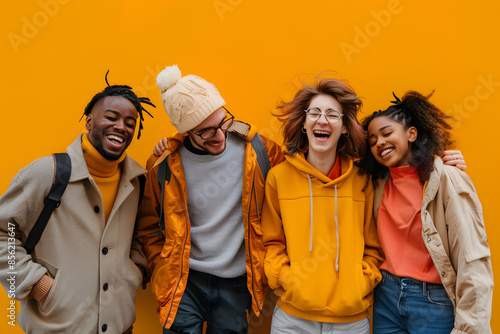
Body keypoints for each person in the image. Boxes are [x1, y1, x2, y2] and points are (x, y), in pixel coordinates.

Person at [135, 65, 284, 333]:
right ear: (186, 131)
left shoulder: (261, 151)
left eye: (222, 122)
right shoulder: (164, 164)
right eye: (205, 131)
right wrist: (160, 266)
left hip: (238, 283)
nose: (219, 135)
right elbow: (148, 225)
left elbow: (290, 200)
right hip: (183, 282)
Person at [0, 77, 154, 334]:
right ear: (89, 121)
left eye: (130, 123)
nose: (121, 127)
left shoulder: (138, 182)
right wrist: (37, 284)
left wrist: (135, 270)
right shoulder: (46, 173)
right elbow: (4, 231)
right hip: (58, 327)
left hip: (120, 326)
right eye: (111, 117)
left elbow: (144, 233)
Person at [362, 91, 493, 333]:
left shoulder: (447, 180)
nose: (379, 142)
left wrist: (469, 328)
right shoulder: (377, 183)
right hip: (386, 297)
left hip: (433, 301)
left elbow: (472, 258)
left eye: (387, 133)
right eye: (372, 141)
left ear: (411, 133)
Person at [260, 76, 384, 334]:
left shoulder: (363, 181)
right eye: (314, 112)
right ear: (305, 124)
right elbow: (270, 243)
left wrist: (360, 283)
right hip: (292, 320)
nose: (322, 120)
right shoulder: (279, 178)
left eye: (332, 115)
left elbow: (374, 246)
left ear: (345, 128)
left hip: (351, 321)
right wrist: (288, 280)